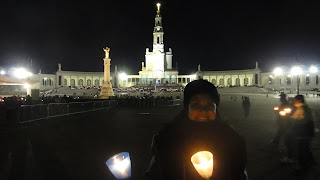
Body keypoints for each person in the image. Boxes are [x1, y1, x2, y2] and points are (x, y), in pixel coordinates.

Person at [145, 79, 247, 180]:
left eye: (209, 105)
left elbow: (240, 174)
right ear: (187, 108)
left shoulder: (233, 141)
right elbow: (154, 174)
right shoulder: (166, 141)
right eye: (196, 104)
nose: (203, 111)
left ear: (216, 108)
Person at [282, 95, 315, 170]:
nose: (293, 101)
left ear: (299, 100)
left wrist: (290, 118)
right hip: (302, 130)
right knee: (303, 147)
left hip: (304, 131)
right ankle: (309, 161)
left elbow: (303, 120)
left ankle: (302, 165)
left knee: (301, 147)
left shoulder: (303, 108)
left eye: (295, 100)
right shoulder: (300, 107)